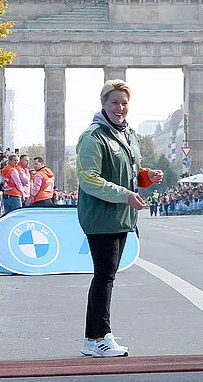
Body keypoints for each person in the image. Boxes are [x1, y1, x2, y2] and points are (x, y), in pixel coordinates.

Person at [76, 79, 163, 357]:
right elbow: (89, 179)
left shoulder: (129, 135)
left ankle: (94, 338)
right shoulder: (93, 137)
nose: (120, 108)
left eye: (124, 103)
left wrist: (146, 176)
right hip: (100, 215)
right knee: (104, 276)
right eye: (114, 102)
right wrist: (125, 194)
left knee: (106, 276)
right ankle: (100, 337)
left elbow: (130, 171)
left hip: (121, 215)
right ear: (103, 104)